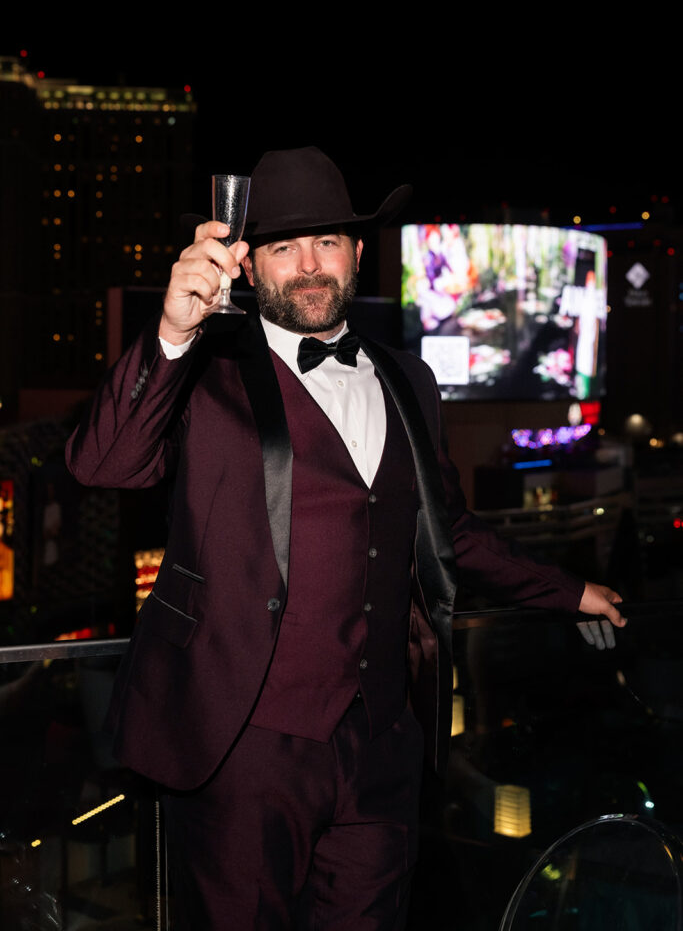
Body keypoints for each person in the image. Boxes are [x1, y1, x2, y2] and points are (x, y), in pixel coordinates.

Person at [65, 146, 625, 930]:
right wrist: (169, 331)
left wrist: (569, 590)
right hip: (240, 747)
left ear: (358, 253)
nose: (307, 266)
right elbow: (104, 464)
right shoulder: (204, 372)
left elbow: (447, 531)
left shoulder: (407, 378)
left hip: (381, 745)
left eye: (326, 241)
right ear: (249, 268)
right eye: (282, 248)